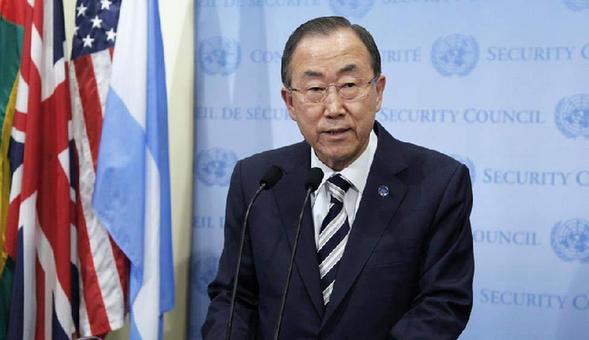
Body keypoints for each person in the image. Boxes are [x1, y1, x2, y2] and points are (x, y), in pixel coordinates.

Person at [203, 16, 474, 340]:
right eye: (315, 89)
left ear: (378, 91)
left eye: (348, 86)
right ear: (290, 102)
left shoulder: (437, 183)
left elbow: (442, 306)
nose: (333, 107)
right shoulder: (258, 181)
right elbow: (235, 297)